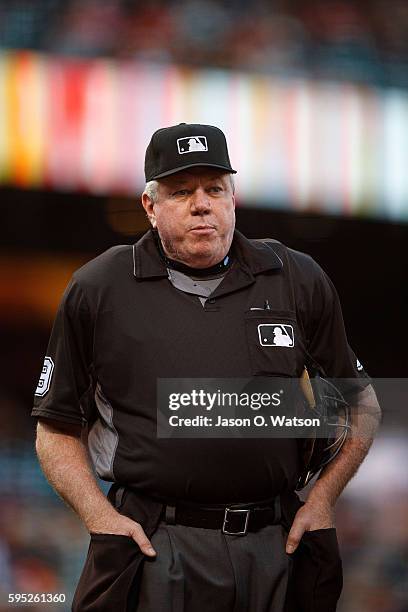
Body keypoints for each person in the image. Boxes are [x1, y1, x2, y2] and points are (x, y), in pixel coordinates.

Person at [32, 122, 380, 612]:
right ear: (150, 206)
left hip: (275, 545)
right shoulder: (100, 287)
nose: (202, 204)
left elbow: (362, 403)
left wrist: (323, 498)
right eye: (180, 192)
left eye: (214, 189)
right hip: (157, 544)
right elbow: (54, 428)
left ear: (232, 198)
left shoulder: (295, 277)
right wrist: (98, 515)